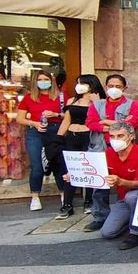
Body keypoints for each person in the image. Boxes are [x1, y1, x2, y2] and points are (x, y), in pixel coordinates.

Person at [82, 122, 138, 249]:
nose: (115, 140)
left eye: (120, 136)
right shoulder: (109, 153)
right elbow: (97, 173)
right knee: (107, 233)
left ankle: (137, 233)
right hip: (123, 199)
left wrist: (120, 182)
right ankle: (129, 220)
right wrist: (75, 176)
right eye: (112, 136)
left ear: (131, 136)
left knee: (132, 197)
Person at [15, 70, 67, 211]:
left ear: (51, 81)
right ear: (35, 82)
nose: (43, 82)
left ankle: (64, 195)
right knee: (37, 166)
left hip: (56, 130)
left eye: (46, 79)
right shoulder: (28, 98)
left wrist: (55, 114)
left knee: (58, 164)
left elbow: (69, 115)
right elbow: (19, 118)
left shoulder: (61, 97)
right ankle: (35, 197)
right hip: (36, 132)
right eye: (40, 79)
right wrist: (34, 123)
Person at [54, 74, 104, 219]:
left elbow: (101, 119)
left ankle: (88, 201)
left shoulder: (100, 101)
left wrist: (97, 102)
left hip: (88, 136)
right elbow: (66, 121)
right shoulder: (72, 100)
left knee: (88, 169)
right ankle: (67, 205)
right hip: (71, 135)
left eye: (82, 83)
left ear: (91, 84)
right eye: (77, 82)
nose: (79, 85)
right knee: (71, 169)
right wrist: (58, 138)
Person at [85, 74, 138, 147]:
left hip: (123, 145)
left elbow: (133, 124)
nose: (114, 89)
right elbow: (90, 124)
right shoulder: (97, 104)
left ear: (124, 88)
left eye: (118, 87)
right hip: (99, 145)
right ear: (106, 87)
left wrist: (105, 122)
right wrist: (121, 124)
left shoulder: (133, 104)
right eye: (111, 86)